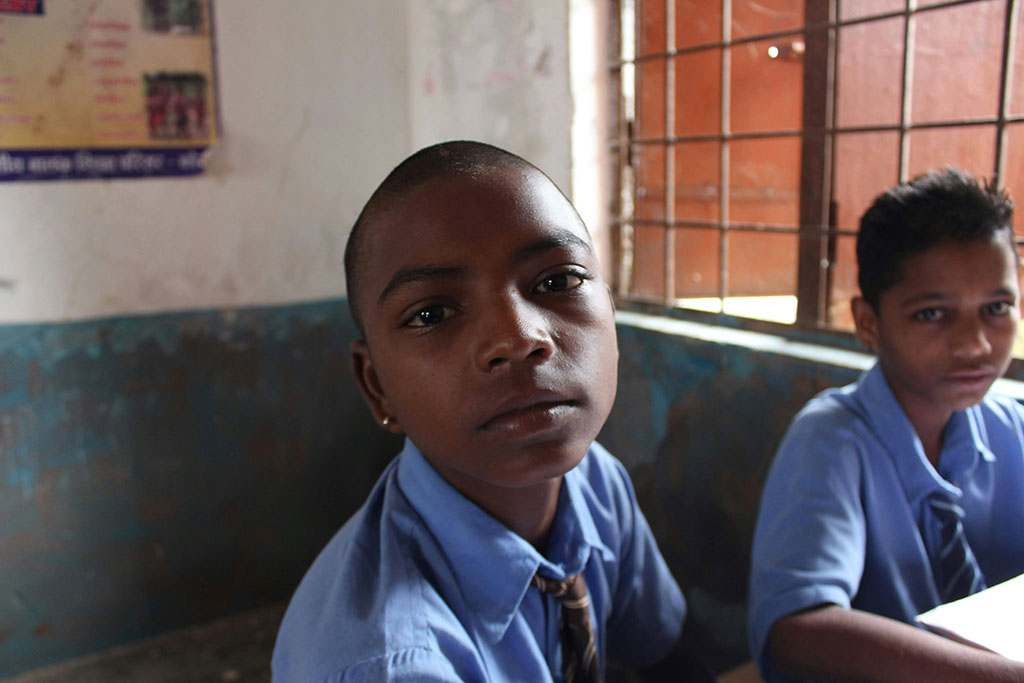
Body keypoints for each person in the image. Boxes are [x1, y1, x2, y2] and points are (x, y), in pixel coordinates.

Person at [272, 141, 703, 682]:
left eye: (558, 281)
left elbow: (663, 654)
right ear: (377, 386)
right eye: (431, 312)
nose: (518, 337)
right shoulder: (392, 664)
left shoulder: (596, 484)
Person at [747, 168, 1024, 681]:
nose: (975, 345)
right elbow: (796, 632)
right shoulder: (832, 440)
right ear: (868, 323)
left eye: (997, 308)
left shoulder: (1013, 429)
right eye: (931, 314)